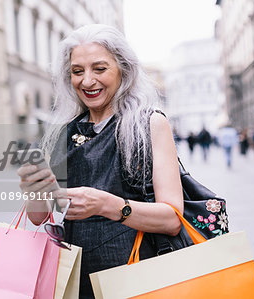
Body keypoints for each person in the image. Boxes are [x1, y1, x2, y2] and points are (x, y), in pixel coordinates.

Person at [17, 24, 184, 298]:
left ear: (123, 70)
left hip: (136, 276)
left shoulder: (149, 123)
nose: (87, 81)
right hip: (73, 280)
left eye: (99, 69)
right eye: (77, 71)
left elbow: (172, 219)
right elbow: (39, 217)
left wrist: (109, 205)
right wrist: (33, 190)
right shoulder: (63, 130)